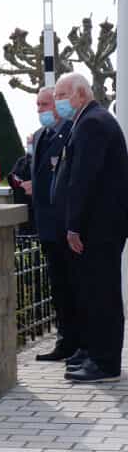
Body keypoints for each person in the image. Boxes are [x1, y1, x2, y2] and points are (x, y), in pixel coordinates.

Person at [52, 73, 128, 382]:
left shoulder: (93, 123)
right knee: (90, 292)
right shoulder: (86, 121)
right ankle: (92, 350)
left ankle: (105, 362)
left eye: (61, 95)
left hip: (99, 227)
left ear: (80, 95)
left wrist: (73, 226)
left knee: (102, 294)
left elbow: (84, 179)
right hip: (97, 226)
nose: (58, 103)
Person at [29, 86, 78, 363]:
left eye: (45, 104)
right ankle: (64, 342)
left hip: (66, 226)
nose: (41, 110)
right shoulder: (39, 136)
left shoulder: (72, 131)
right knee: (58, 288)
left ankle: (79, 343)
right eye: (38, 105)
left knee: (74, 287)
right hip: (46, 227)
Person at [7, 135, 34, 233]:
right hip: (23, 200)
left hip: (36, 202)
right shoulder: (21, 161)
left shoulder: (42, 159)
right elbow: (12, 176)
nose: (30, 145)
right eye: (29, 143)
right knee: (24, 229)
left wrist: (33, 184)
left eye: (31, 143)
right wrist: (20, 183)